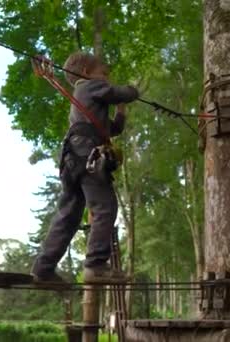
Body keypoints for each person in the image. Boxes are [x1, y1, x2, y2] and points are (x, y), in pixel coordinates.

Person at [31, 51, 139, 283]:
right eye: (104, 73)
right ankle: (96, 265)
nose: (106, 78)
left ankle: (43, 268)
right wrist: (132, 90)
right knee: (105, 206)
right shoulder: (89, 87)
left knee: (68, 214)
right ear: (87, 73)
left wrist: (120, 114)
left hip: (73, 159)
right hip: (86, 155)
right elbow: (119, 92)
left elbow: (111, 130)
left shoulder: (84, 98)